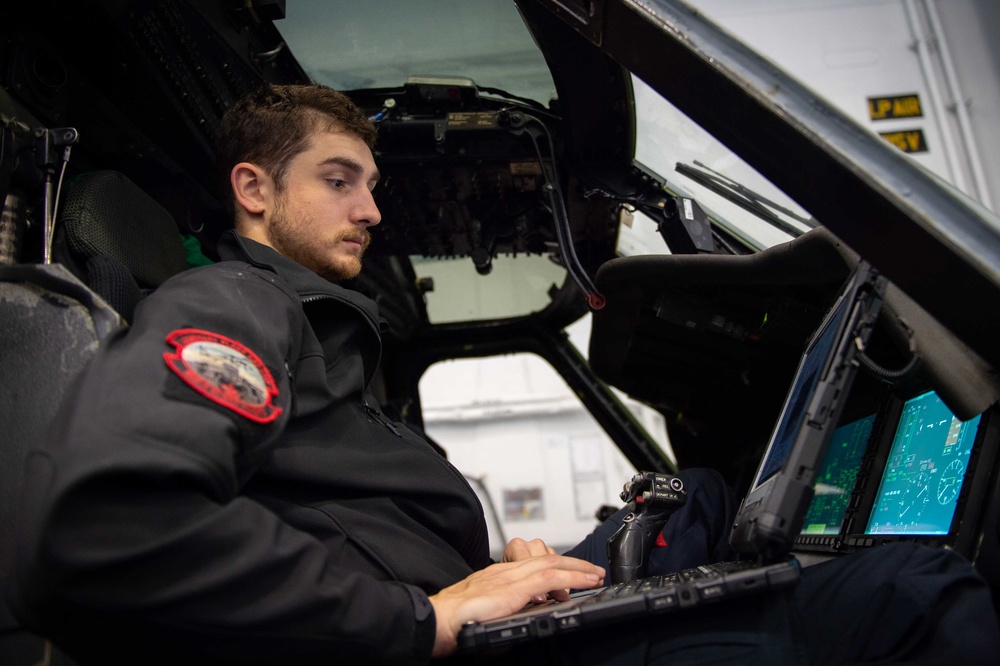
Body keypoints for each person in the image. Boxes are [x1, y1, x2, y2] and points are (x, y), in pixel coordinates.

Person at [6, 83, 998, 666]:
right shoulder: (233, 305)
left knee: (693, 496)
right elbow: (105, 525)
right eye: (339, 181)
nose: (372, 212)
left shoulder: (323, 336)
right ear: (254, 191)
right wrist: (427, 617)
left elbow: (331, 530)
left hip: (467, 616)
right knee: (910, 593)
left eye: (374, 186)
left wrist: (492, 576)